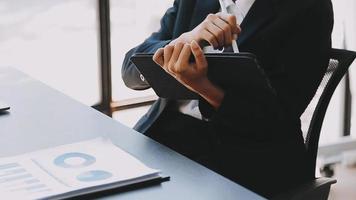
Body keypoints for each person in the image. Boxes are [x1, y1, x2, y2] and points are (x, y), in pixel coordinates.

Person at [122, 0, 333, 197]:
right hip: (165, 134)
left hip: (249, 152)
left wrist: (204, 88)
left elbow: (277, 118)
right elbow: (130, 69)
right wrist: (182, 40)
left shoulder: (309, 7)